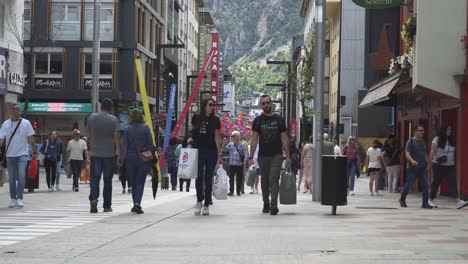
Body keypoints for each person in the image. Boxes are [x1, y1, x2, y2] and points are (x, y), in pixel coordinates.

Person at [249, 94, 291, 215]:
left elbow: (284, 137)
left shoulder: (278, 119)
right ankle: (265, 203)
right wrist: (251, 156)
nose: (266, 105)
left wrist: (287, 155)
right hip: (263, 155)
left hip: (276, 155)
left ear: (271, 103)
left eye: (267, 102)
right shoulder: (258, 120)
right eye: (263, 103)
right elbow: (255, 139)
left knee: (274, 179)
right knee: (265, 181)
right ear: (261, 105)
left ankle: (273, 205)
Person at [186, 98, 222, 216]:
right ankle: (199, 201)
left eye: (213, 105)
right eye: (210, 105)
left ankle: (206, 204)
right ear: (204, 106)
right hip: (198, 150)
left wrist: (219, 153)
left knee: (208, 177)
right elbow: (191, 130)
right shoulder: (196, 117)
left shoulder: (216, 120)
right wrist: (190, 138)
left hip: (211, 151)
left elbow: (217, 137)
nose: (212, 107)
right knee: (199, 177)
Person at [0, 104, 36, 208]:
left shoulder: (26, 123)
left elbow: (30, 138)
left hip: (22, 154)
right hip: (10, 154)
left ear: (20, 111)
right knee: (11, 178)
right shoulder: (6, 124)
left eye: (17, 109)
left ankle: (20, 198)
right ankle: (13, 199)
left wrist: (34, 151)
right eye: (14, 109)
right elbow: (1, 139)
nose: (15, 111)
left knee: (21, 176)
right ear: (11, 111)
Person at [119, 109, 155, 214]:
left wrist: (121, 159)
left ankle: (135, 203)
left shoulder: (128, 129)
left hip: (131, 159)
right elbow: (150, 144)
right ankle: (137, 204)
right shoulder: (146, 128)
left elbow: (124, 146)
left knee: (133, 182)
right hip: (143, 158)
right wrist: (151, 153)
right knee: (140, 182)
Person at [87, 98, 120, 213]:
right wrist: (118, 151)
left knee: (95, 178)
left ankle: (94, 199)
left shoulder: (92, 118)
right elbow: (116, 136)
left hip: (95, 153)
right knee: (107, 180)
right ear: (110, 108)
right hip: (109, 154)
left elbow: (89, 134)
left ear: (101, 107)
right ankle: (107, 206)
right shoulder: (113, 120)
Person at [429, 125, 468, 209]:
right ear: (443, 130)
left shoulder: (450, 139)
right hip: (438, 165)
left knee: (453, 181)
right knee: (436, 182)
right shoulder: (437, 139)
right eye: (448, 129)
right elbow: (432, 152)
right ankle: (430, 199)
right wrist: (429, 164)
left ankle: (458, 201)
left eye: (450, 129)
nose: (450, 131)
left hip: (450, 165)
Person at [399, 124, 432, 209]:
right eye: (420, 130)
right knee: (409, 184)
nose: (422, 132)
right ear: (415, 132)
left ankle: (425, 203)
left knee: (426, 185)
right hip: (412, 168)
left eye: (423, 131)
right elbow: (407, 153)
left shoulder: (422, 142)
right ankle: (402, 199)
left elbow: (424, 154)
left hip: (422, 167)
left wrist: (428, 163)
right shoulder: (410, 141)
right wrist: (412, 160)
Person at [224, 131, 248, 196]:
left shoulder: (242, 145)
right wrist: (224, 144)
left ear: (239, 137)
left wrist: (245, 162)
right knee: (231, 178)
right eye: (235, 137)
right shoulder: (230, 144)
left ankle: (238, 191)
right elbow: (224, 151)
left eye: (237, 136)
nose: (236, 138)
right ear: (233, 137)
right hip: (231, 164)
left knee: (239, 178)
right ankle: (231, 191)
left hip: (239, 164)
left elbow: (246, 153)